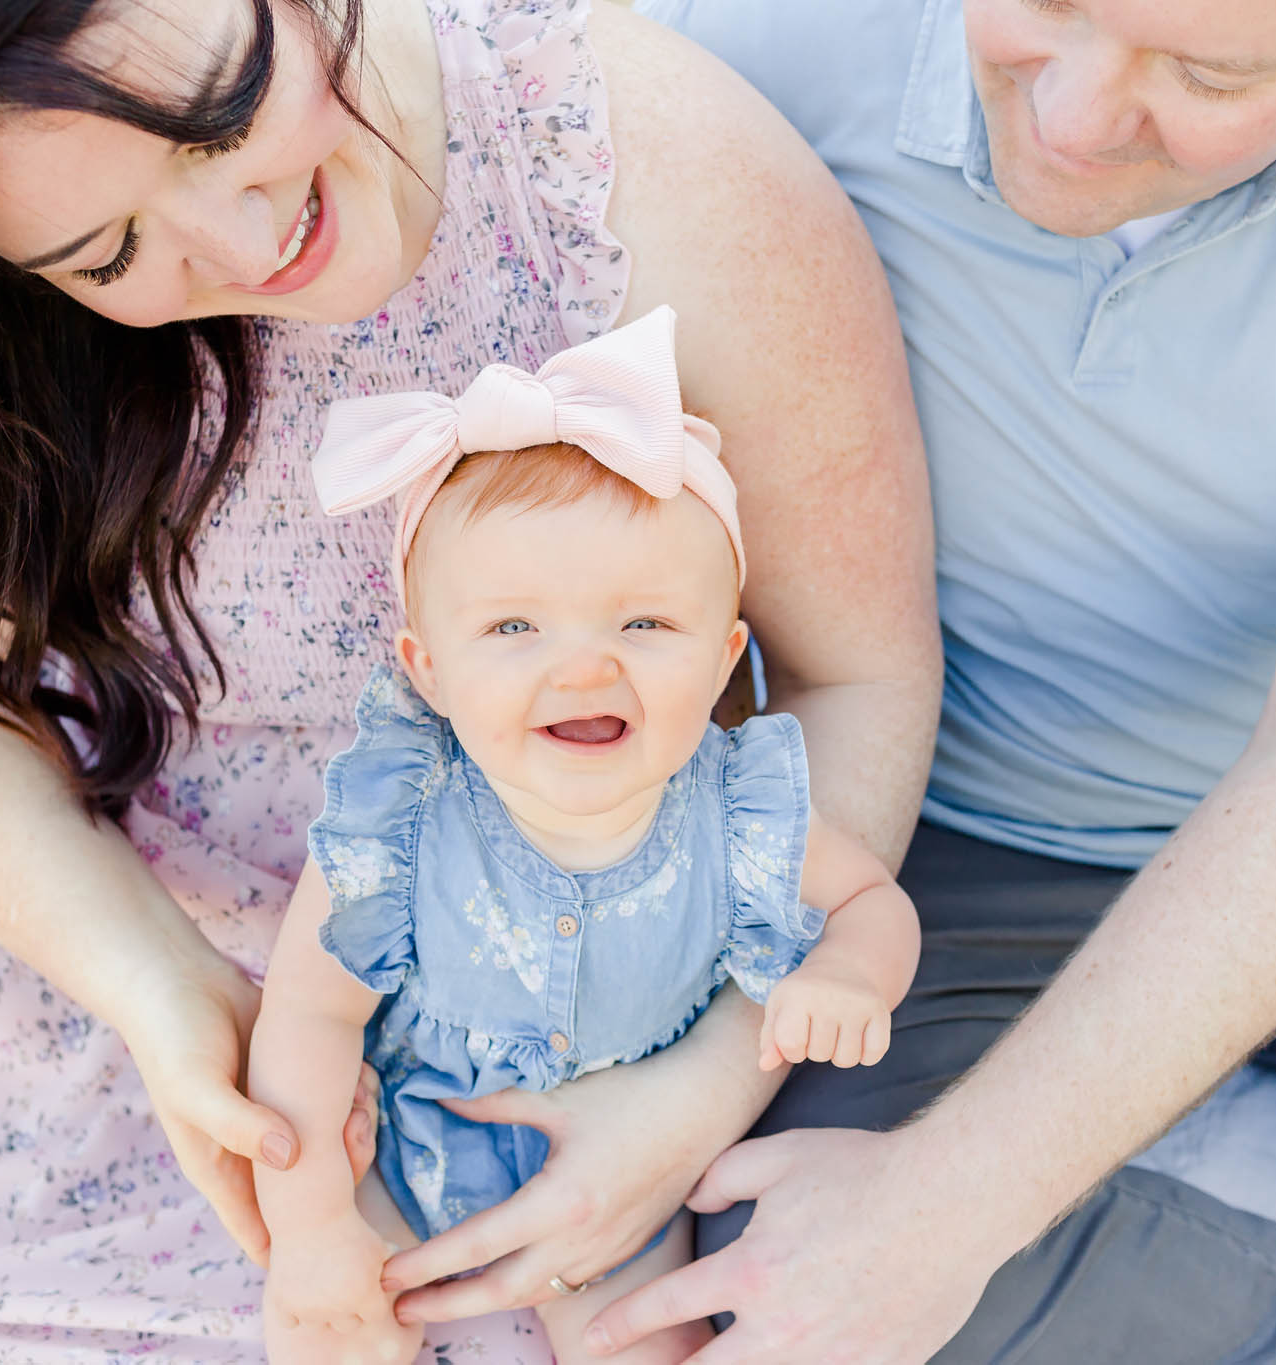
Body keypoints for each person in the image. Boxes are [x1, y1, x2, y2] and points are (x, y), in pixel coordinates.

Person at [472, 0, 1276, 1359]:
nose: (1070, 120)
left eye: (1205, 69)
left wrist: (944, 1208)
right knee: (787, 1297)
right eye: (1049, 3)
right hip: (918, 828)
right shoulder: (729, 32)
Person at [0, 0, 938, 1358]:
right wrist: (164, 995)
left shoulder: (658, 171)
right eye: (105, 255)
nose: (245, 244)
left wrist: (697, 1085)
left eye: (226, 113)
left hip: (516, 1012)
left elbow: (858, 677)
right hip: (96, 920)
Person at [248, 306, 920, 1364]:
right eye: (514, 628)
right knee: (330, 1325)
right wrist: (313, 1224)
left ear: (723, 657)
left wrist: (847, 975)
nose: (583, 667)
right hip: (407, 1152)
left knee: (645, 1343)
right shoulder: (400, 823)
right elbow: (309, 1019)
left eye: (644, 624)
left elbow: (870, 901)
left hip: (630, 1177)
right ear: (427, 669)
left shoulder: (735, 811)